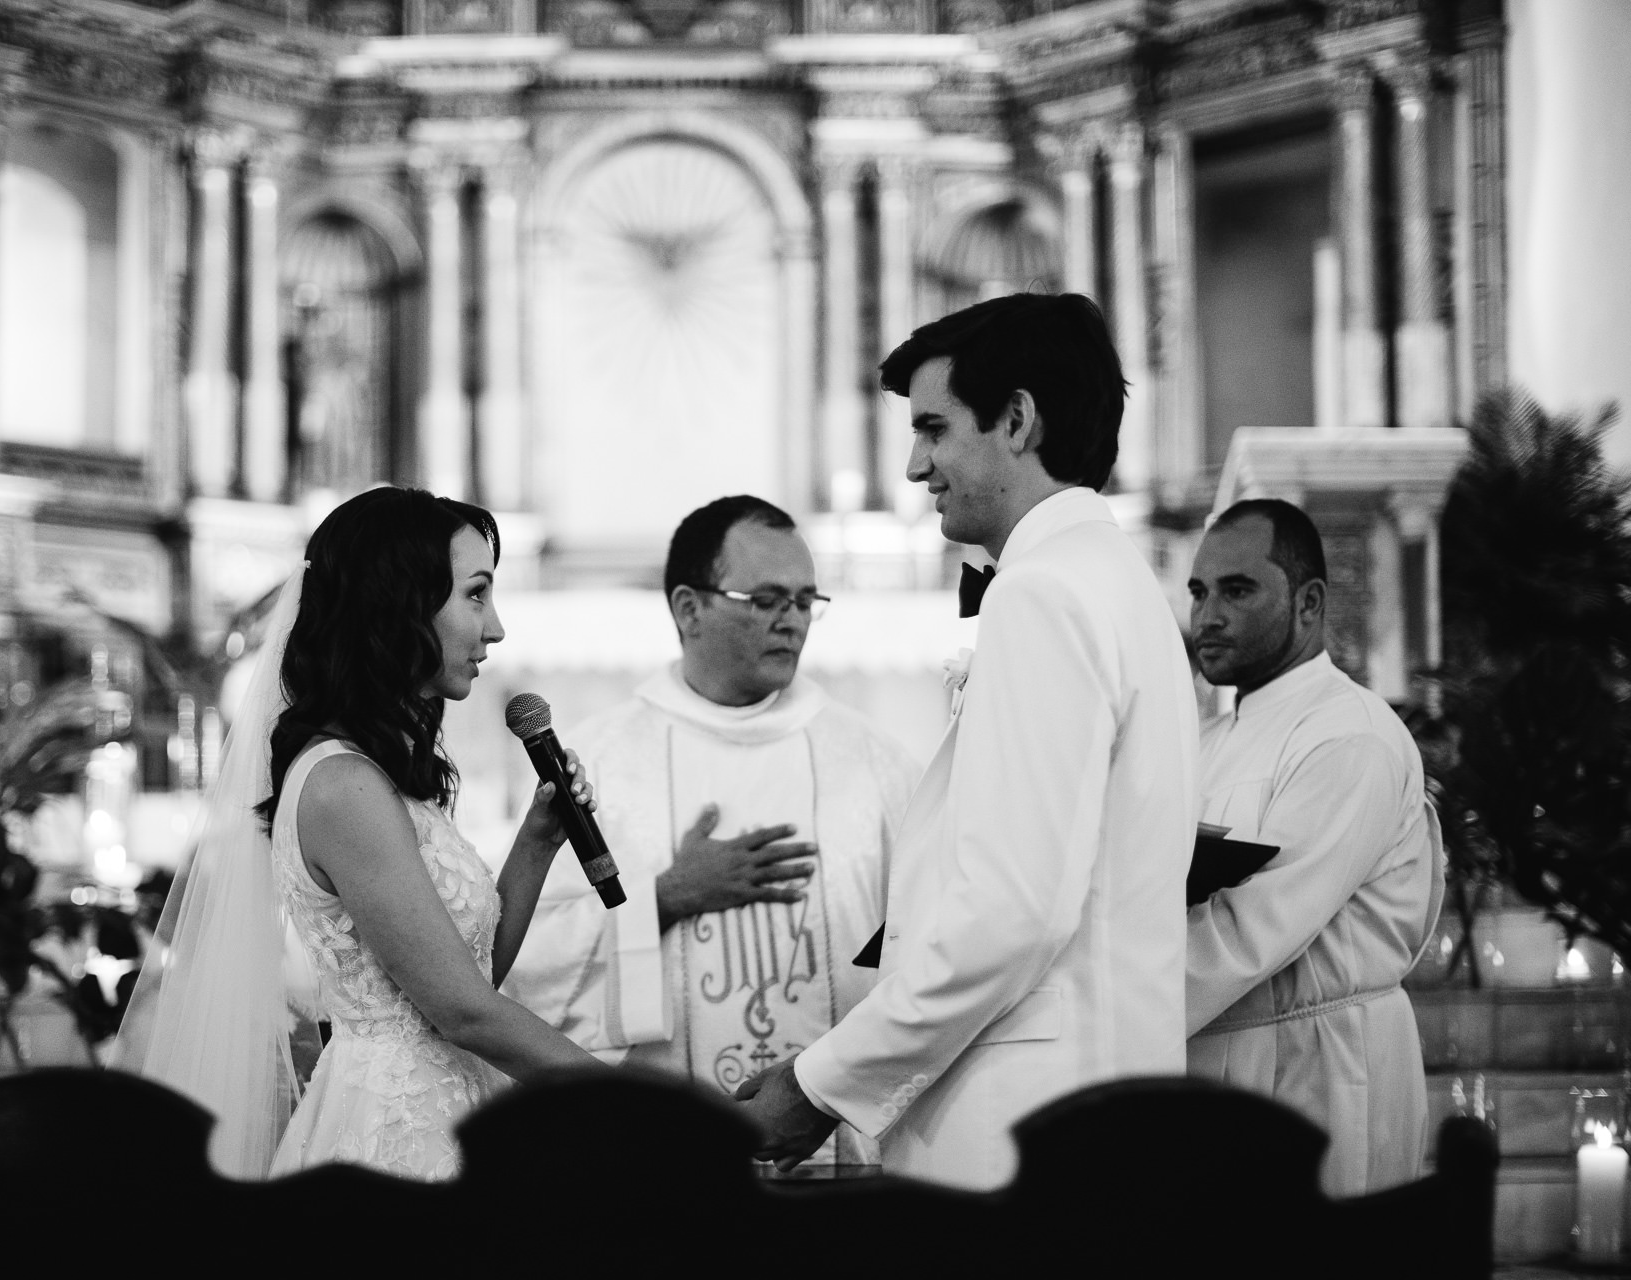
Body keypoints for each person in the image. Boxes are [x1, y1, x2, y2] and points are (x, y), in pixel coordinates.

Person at [735, 293, 1200, 1192]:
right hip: (1103, 1099)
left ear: (1018, 420)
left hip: (1025, 1129)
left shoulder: (1044, 595)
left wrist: (821, 1082)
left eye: (935, 429)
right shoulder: (1116, 581)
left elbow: (1011, 911)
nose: (916, 466)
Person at [116, 487, 602, 1181]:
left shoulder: (380, 777)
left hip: (452, 1109)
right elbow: (462, 1010)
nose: (494, 628)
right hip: (397, 1139)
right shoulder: (344, 786)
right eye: (475, 595)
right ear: (400, 604)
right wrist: (635, 1101)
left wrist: (536, 842)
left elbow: (465, 976)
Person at [503, 495, 921, 1169]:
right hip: (655, 1163)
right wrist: (663, 898)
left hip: (839, 1155)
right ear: (688, 608)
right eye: (766, 599)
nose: (792, 621)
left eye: (805, 600)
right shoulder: (597, 764)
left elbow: (927, 948)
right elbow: (516, 965)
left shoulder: (873, 765)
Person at [1184, 498, 1444, 1196]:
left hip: (1326, 1071)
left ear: (1309, 603)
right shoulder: (1204, 742)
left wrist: (1099, 1006)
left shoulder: (1347, 735)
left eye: (1237, 590)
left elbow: (1251, 930)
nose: (1206, 615)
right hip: (1215, 1058)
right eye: (1198, 591)